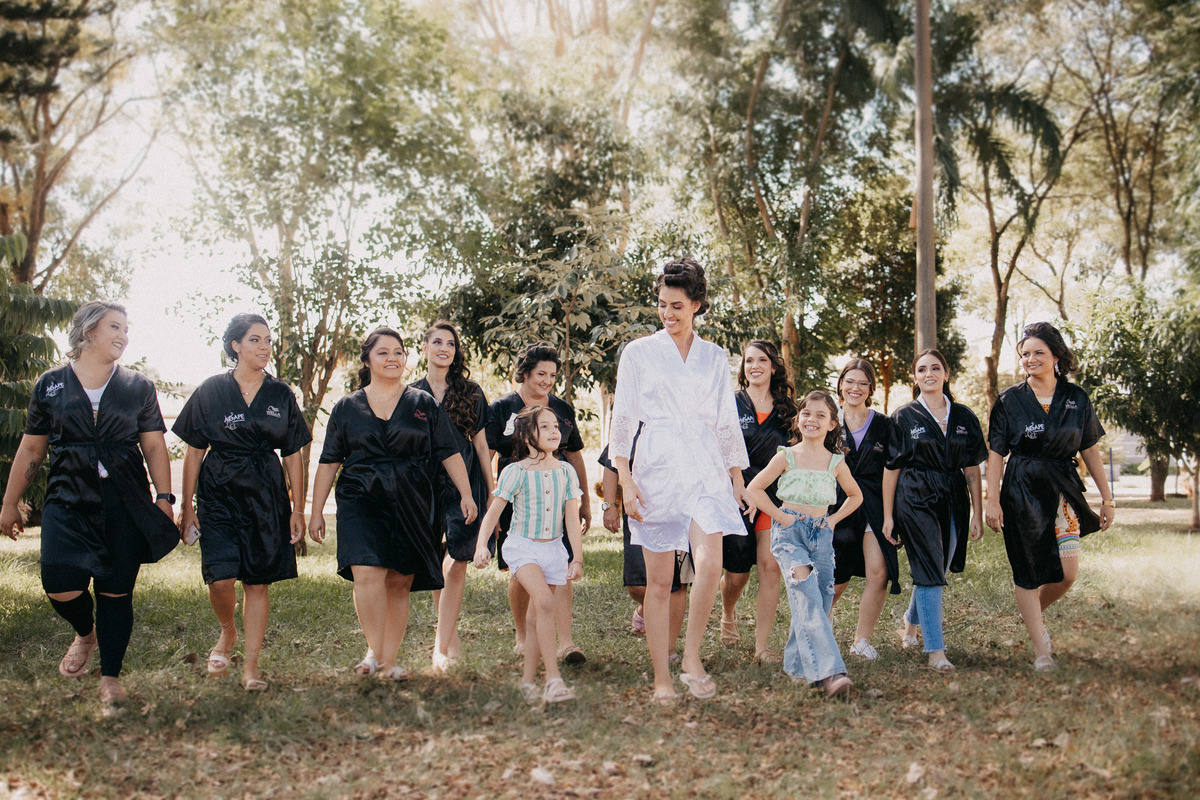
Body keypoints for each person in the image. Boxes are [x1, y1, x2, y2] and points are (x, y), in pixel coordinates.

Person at [0, 302, 178, 707]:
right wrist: (10, 502)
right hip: (67, 496)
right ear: (89, 331)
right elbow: (32, 448)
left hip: (124, 498)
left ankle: (110, 678)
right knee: (58, 582)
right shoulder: (50, 384)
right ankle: (85, 632)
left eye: (126, 329)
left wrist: (164, 498)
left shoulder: (137, 386)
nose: (123, 336)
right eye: (115, 327)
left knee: (116, 592)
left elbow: (153, 445)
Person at [610, 257, 752, 702]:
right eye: (662, 304)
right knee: (658, 583)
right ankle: (662, 679)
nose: (667, 313)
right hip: (656, 467)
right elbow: (623, 419)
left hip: (706, 466)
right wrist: (625, 479)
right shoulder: (638, 353)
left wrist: (737, 476)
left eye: (676, 306)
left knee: (710, 562)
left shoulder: (714, 356)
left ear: (696, 305)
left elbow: (726, 420)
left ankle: (691, 656)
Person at [308, 328, 477, 681]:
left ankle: (386, 659)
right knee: (366, 572)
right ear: (368, 360)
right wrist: (316, 510)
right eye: (383, 352)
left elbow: (448, 451)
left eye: (398, 352)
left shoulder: (423, 403)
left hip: (412, 498)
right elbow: (329, 461)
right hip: (360, 496)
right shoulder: (347, 407)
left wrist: (466, 493)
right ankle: (378, 654)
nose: (392, 358)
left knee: (400, 581)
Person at [172, 313, 311, 691]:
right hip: (218, 493)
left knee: (257, 582)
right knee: (220, 579)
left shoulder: (281, 394)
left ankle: (251, 666)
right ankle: (227, 630)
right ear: (235, 345)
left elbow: (293, 455)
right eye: (255, 340)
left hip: (266, 496)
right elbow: (194, 451)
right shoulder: (211, 391)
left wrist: (297, 509)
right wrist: (187, 507)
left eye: (268, 340)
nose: (265, 347)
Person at [985, 322, 1115, 670]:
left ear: (1056, 355)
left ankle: (1031, 615)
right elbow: (996, 453)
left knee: (1066, 573)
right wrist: (992, 500)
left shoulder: (1076, 398)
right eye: (1025, 354)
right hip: (1021, 489)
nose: (1031, 359)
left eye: (1038, 352)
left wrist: (1107, 498)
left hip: (1063, 489)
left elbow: (1089, 447)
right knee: (1027, 570)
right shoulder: (1010, 400)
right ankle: (1041, 650)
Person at [746, 390, 862, 697]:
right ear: (798, 419)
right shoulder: (786, 456)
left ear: (832, 424)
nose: (812, 419)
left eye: (821, 415)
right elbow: (754, 489)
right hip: (790, 535)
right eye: (807, 413)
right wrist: (781, 518)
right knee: (807, 595)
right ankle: (831, 673)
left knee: (820, 601)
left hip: (821, 535)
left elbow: (856, 496)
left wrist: (833, 520)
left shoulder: (835, 462)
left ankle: (797, 667)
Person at [485, 342, 590, 663]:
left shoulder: (562, 409)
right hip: (516, 497)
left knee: (562, 564)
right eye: (541, 374)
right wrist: (491, 501)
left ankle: (566, 642)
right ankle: (522, 635)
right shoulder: (502, 408)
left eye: (553, 375)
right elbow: (487, 454)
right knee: (521, 570)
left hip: (558, 494)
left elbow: (575, 455)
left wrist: (585, 502)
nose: (547, 381)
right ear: (525, 373)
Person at [882, 349, 986, 672]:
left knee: (937, 565)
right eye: (922, 369)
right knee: (929, 566)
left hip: (953, 495)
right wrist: (888, 515)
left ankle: (910, 623)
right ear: (915, 377)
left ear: (946, 374)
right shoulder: (903, 416)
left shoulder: (964, 416)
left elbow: (972, 468)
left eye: (935, 368)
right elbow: (891, 469)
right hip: (914, 495)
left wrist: (978, 512)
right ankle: (936, 651)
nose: (929, 374)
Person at [473, 405, 584, 703]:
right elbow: (494, 512)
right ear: (525, 435)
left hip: (554, 550)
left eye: (555, 426)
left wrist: (577, 557)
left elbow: (571, 519)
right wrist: (482, 545)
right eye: (544, 426)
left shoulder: (566, 472)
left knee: (538, 617)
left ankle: (527, 681)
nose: (553, 431)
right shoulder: (515, 471)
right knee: (546, 603)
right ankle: (553, 679)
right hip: (522, 548)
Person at [411, 321, 494, 672]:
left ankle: (439, 646)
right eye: (437, 342)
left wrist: (491, 492)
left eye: (450, 343)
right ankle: (449, 639)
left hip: (465, 483)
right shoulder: (410, 394)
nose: (444, 348)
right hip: (424, 484)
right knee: (433, 560)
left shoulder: (470, 392)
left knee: (457, 559)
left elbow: (482, 445)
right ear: (425, 347)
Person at [719, 340, 795, 662]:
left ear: (773, 366)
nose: (754, 366)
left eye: (761, 360)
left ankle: (762, 646)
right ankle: (728, 611)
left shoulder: (788, 410)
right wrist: (739, 485)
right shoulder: (730, 403)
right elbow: (720, 448)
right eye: (749, 361)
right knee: (737, 574)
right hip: (735, 493)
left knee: (770, 566)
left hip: (771, 497)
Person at [829, 359, 901, 661]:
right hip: (838, 504)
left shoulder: (885, 424)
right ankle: (819, 626)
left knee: (879, 572)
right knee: (835, 578)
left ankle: (861, 640)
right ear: (841, 384)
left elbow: (892, 469)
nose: (855, 388)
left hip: (873, 504)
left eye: (862, 383)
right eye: (850, 381)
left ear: (871, 388)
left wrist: (890, 516)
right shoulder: (828, 419)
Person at [597, 441, 690, 652]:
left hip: (680, 511)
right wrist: (610, 506)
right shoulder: (631, 426)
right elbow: (611, 465)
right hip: (639, 512)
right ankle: (645, 609)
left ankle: (668, 649)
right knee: (638, 585)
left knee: (678, 584)